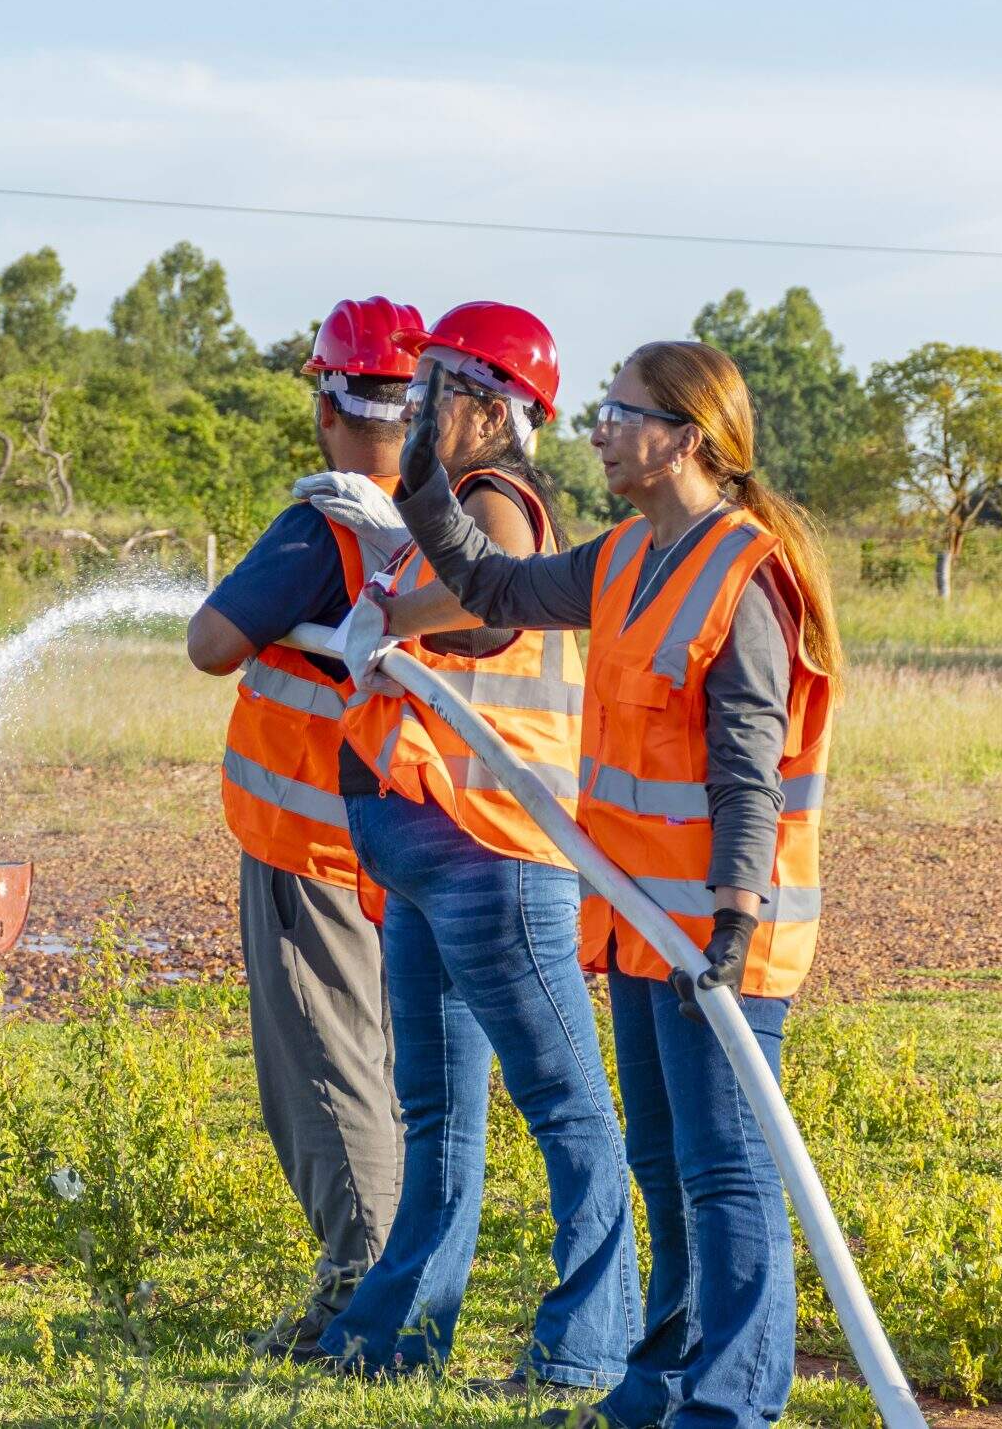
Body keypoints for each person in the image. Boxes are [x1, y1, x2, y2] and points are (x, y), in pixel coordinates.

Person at [353, 339, 842, 1429]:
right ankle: (657, 1386)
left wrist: (733, 916)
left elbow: (747, 769)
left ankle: (731, 1404)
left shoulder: (743, 577)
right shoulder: (624, 557)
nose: (599, 432)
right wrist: (426, 488)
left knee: (726, 1168)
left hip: (718, 932)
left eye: (622, 415)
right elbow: (491, 588)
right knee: (663, 1160)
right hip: (636, 920)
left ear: (686, 440)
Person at [300, 304, 638, 1387]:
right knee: (439, 1112)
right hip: (436, 849)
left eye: (438, 384)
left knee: (567, 1110)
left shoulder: (496, 498)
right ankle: (393, 1337)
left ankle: (589, 1349)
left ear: (492, 410)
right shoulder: (444, 507)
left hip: (494, 849)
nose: (415, 403)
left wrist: (392, 611)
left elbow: (490, 614)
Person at [185, 295, 418, 1358]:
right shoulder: (446, 519)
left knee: (326, 1073)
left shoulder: (324, 522)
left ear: (327, 403)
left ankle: (363, 1297)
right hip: (402, 843)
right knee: (390, 1068)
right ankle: (400, 1279)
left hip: (307, 847)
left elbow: (211, 643)